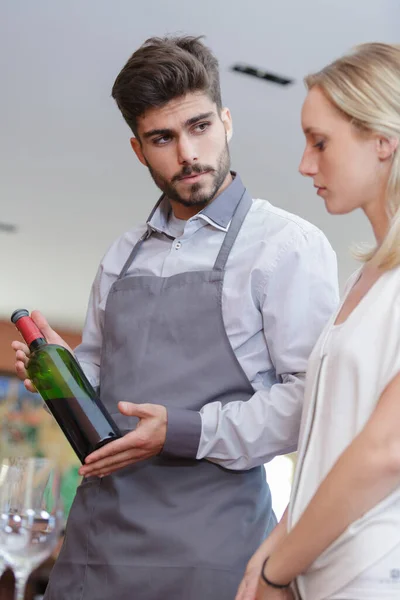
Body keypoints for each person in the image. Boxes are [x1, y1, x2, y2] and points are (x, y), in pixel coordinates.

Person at [12, 36, 338, 600]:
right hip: (94, 553)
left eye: (200, 127)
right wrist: (55, 375)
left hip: (211, 560)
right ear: (139, 150)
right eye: (163, 138)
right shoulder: (120, 256)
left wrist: (182, 431)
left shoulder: (286, 246)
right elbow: (98, 377)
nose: (187, 153)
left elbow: (308, 403)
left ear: (227, 121)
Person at [236, 42, 400, 600]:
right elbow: (328, 448)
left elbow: (386, 451)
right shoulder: (362, 283)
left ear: (383, 140)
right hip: (319, 576)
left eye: (320, 142)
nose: (306, 164)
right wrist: (267, 555)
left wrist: (278, 568)